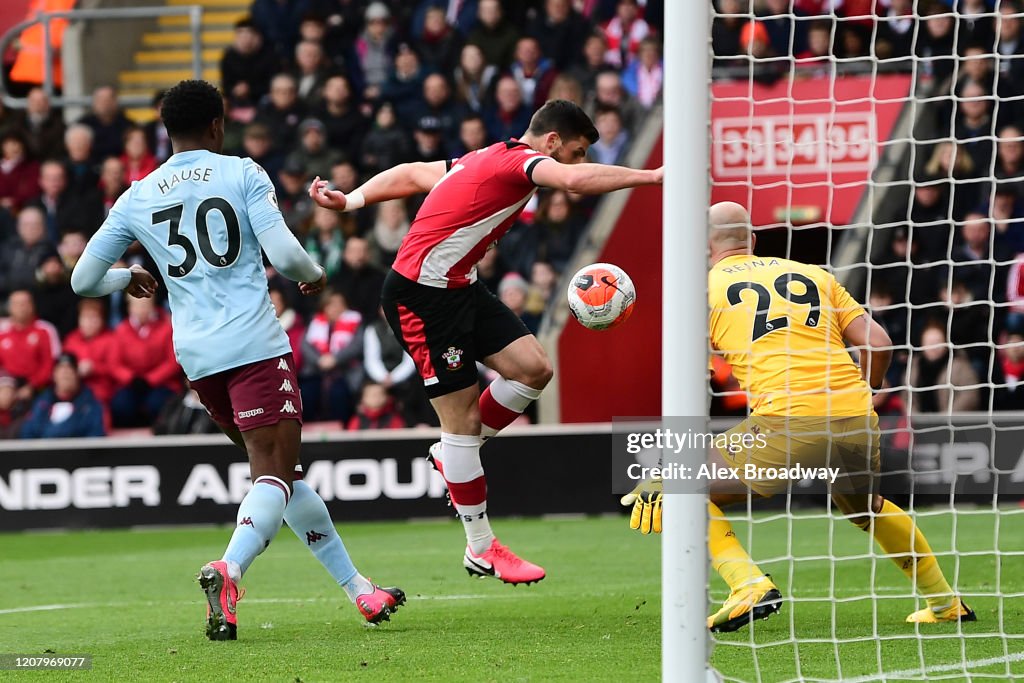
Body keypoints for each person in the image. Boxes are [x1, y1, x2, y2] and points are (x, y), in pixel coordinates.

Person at [71, 79, 404, 640]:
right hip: (253, 345)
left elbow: (82, 281)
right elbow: (287, 256)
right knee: (273, 473)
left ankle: (360, 591)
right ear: (218, 125)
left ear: (167, 132)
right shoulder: (243, 172)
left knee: (281, 477)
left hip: (198, 360)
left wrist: (127, 276)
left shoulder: (136, 195)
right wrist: (316, 276)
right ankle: (229, 569)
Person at [309, 98, 662, 585]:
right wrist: (655, 177)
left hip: (461, 287)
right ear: (552, 142)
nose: (579, 164)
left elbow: (413, 173)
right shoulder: (521, 162)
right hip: (422, 297)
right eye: (577, 152)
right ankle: (481, 547)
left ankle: (454, 455)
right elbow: (575, 181)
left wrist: (351, 200)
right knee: (462, 419)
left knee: (534, 368)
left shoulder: (481, 158)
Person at [623, 202, 974, 632]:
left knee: (677, 487)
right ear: (752, 241)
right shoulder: (817, 275)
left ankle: (748, 584)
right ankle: (945, 603)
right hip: (854, 415)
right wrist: (869, 390)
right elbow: (879, 344)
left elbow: (691, 385)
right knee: (867, 509)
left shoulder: (700, 290)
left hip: (785, 419)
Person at [20, 352, 105, 439]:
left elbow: (95, 437)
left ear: (77, 375)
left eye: (69, 370)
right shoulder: (42, 403)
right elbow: (28, 433)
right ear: (54, 375)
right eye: (61, 370)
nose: (65, 374)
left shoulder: (91, 405)